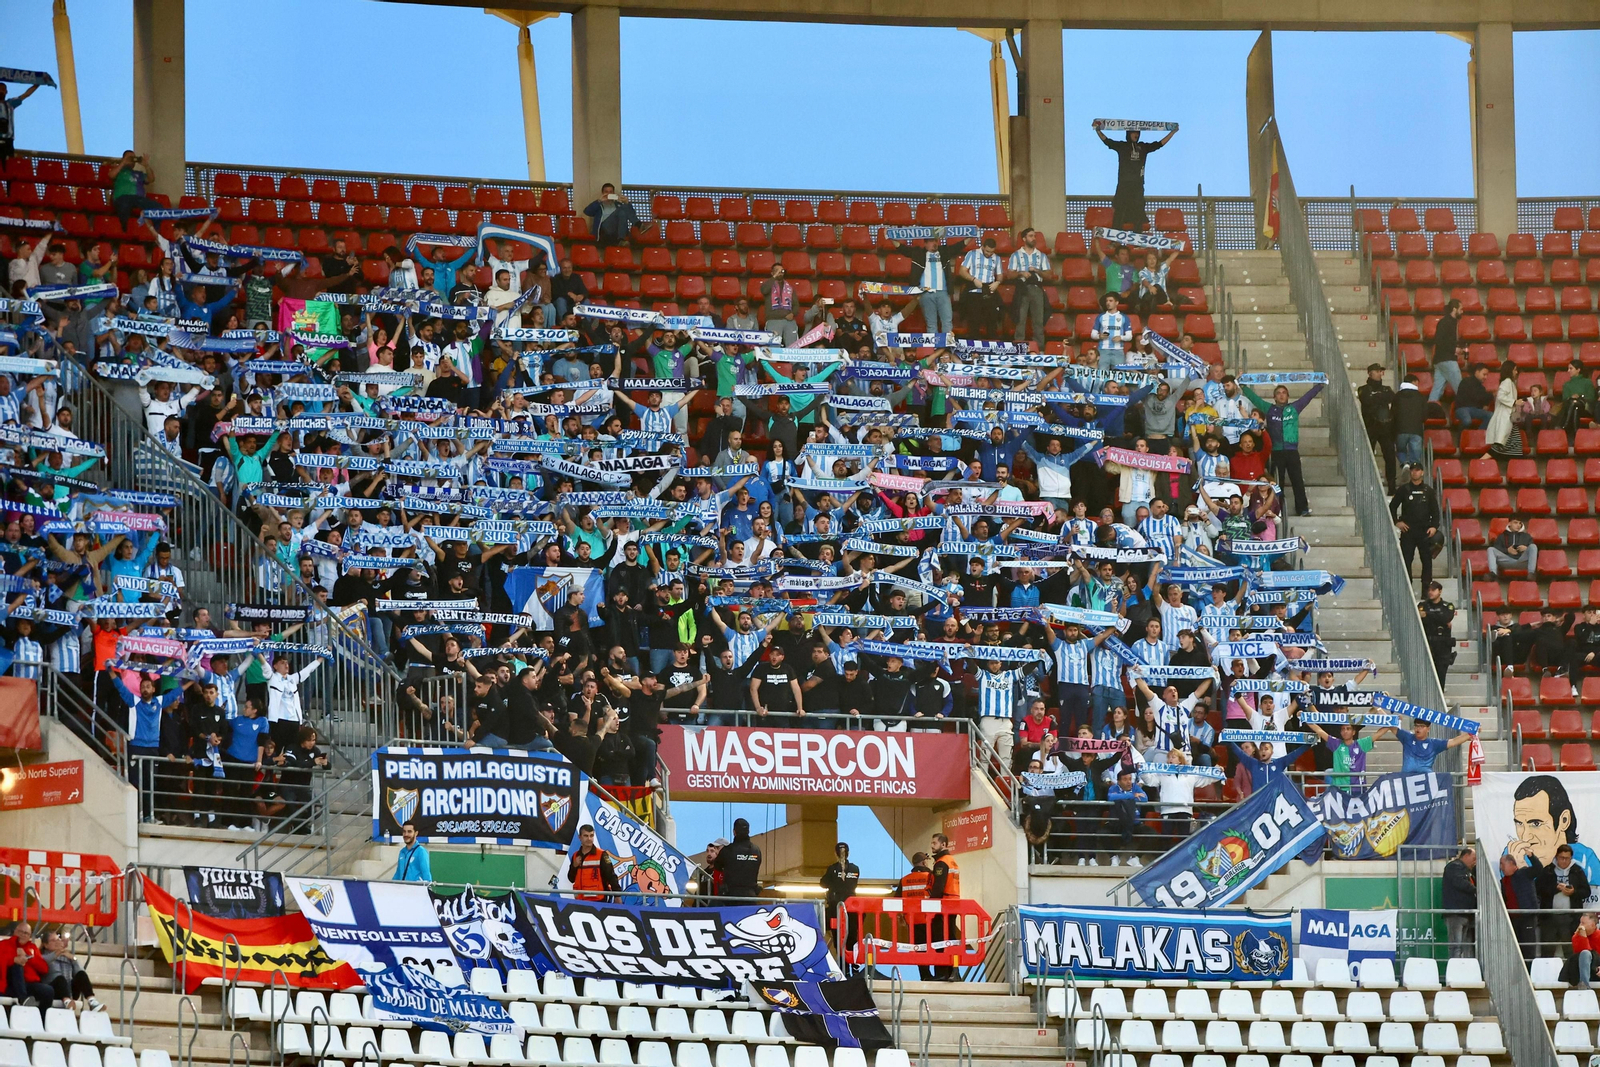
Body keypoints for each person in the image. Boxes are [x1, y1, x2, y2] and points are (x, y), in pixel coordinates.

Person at [1238, 379, 1324, 516]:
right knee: (1278, 483)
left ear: (1288, 396)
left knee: (1297, 480)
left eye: (1284, 393)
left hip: (1292, 451)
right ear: (1274, 397)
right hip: (1276, 452)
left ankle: (1302, 509)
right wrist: (1242, 385)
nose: (1281, 395)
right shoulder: (1269, 409)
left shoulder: (1295, 408)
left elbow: (1307, 397)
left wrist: (1320, 385)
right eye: (1278, 393)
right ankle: (1277, 510)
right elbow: (1254, 398)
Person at [1094, 121, 1177, 231]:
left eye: (1138, 133)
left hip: (1138, 185)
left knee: (1138, 210)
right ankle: (1115, 238)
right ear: (1128, 134)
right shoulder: (1122, 146)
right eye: (1133, 132)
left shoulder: (1143, 147)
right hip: (1124, 184)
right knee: (1119, 210)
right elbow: (1107, 141)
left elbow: (1159, 144)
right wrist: (1098, 130)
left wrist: (1172, 132)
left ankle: (1137, 237)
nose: (1136, 135)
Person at [1391, 464, 1441, 591]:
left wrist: (1434, 527)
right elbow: (1392, 507)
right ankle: (1406, 588)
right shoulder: (1404, 489)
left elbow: (1435, 511)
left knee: (1427, 561)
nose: (1415, 473)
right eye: (1412, 470)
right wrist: (1397, 522)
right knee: (1406, 560)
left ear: (1422, 472)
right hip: (1408, 531)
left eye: (1417, 470)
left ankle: (1426, 590)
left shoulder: (1428, 491)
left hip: (1425, 531)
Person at [1538, 843, 1592, 953]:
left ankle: (1571, 970)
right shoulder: (1548, 870)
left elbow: (1586, 891)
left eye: (1567, 858)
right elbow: (1538, 889)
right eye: (1561, 858)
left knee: (1570, 950)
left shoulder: (1577, 871)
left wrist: (1573, 892)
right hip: (1549, 917)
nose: (1564, 861)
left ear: (1571, 858)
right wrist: (1555, 888)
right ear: (1556, 857)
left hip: (1570, 918)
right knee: (1547, 950)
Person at [921, 833, 961, 981]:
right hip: (952, 904)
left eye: (934, 843)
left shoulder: (941, 863)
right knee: (950, 938)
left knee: (940, 939)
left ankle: (942, 973)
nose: (932, 846)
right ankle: (953, 972)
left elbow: (938, 888)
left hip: (942, 906)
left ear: (943, 845)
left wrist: (931, 907)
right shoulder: (952, 861)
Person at [38, 929, 102, 1011]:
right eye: (53, 941)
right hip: (53, 990)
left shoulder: (66, 955)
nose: (57, 942)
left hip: (69, 989)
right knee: (60, 979)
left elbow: (79, 970)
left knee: (81, 974)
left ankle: (92, 1001)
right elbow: (44, 960)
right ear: (45, 945)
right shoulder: (42, 956)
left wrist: (73, 958)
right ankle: (67, 1001)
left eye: (58, 939)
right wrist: (57, 952)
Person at [1358, 364, 1398, 491]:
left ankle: (1392, 485)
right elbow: (1367, 400)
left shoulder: (1386, 389)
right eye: (1377, 371)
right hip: (1370, 427)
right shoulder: (1363, 389)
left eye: (1381, 371)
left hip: (1385, 427)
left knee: (1390, 456)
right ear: (1370, 373)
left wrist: (1376, 397)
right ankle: (1366, 483)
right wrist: (1380, 398)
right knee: (1367, 457)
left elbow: (1392, 398)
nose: (1380, 373)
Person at [820, 842, 861, 964]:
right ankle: (853, 965)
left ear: (835, 854)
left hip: (836, 909)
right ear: (848, 853)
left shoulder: (832, 869)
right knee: (852, 937)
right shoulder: (855, 869)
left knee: (839, 938)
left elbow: (823, 883)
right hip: (852, 908)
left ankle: (843, 965)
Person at [1, 922, 53, 1008]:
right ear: (15, 932)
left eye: (26, 933)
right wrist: (13, 959)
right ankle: (23, 999)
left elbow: (44, 969)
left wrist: (29, 957)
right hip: (9, 983)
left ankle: (41, 1019)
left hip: (28, 983)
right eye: (20, 932)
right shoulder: (4, 944)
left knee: (48, 991)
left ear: (29, 936)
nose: (23, 935)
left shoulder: (32, 947)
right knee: (17, 966)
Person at [1395, 715, 1471, 774]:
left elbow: (1453, 741)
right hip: (1406, 779)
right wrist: (1394, 719)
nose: (1418, 729)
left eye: (1421, 726)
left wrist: (1471, 733)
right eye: (1416, 726)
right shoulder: (1407, 737)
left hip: (1426, 781)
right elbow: (1390, 723)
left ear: (1428, 729)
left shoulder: (1433, 743)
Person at [1501, 853, 1540, 960]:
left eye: (1502, 864)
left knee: (1528, 948)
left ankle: (1529, 973)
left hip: (1526, 917)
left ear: (1512, 864)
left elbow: (1538, 869)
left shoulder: (1524, 873)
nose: (1501, 867)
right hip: (1512, 919)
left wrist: (1532, 856)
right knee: (1515, 948)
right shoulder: (1503, 881)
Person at [568, 824, 621, 901]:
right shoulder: (575, 856)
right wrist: (574, 866)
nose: (589, 839)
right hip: (580, 902)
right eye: (586, 836)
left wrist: (617, 896)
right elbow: (571, 879)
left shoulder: (601, 854)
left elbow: (611, 876)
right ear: (580, 837)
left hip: (599, 900)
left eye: (591, 835)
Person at [1427, 298, 1466, 404]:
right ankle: (1467, 410)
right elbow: (1439, 341)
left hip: (1440, 360)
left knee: (1436, 390)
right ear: (1454, 309)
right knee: (1461, 389)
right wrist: (1454, 349)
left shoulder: (1448, 322)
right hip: (1447, 360)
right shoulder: (1446, 323)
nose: (1462, 311)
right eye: (1461, 309)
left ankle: (1429, 409)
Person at [1441, 846, 1477, 958]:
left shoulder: (1467, 870)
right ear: (1465, 856)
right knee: (1456, 946)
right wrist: (1476, 889)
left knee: (1464, 946)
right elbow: (1460, 883)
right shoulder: (1454, 867)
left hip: (1466, 913)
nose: (1475, 862)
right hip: (1455, 913)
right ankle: (1454, 971)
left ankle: (1463, 970)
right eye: (1473, 858)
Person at [714, 817, 762, 900]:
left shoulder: (728, 850)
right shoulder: (756, 850)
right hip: (751, 896)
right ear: (749, 832)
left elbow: (717, 865)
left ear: (734, 832)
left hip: (731, 897)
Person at [1419, 582, 1458, 684]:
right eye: (1429, 590)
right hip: (1427, 642)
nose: (1430, 592)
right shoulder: (1423, 605)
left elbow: (1446, 617)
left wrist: (1427, 615)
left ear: (1440, 591)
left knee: (1441, 674)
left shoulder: (1447, 606)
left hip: (1443, 645)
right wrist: (1439, 618)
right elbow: (1422, 620)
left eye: (1433, 590)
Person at [1568, 912, 1600, 988]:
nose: (1580, 926)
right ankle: (1584, 985)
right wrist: (1583, 937)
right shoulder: (1576, 936)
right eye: (1580, 923)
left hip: (1597, 969)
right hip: (1581, 969)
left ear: (1592, 925)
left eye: (1583, 923)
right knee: (1585, 953)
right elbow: (1584, 955)